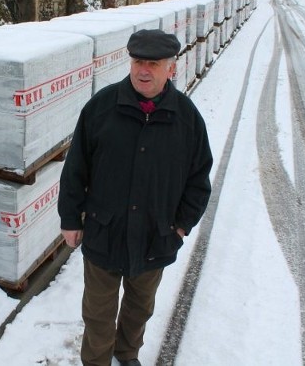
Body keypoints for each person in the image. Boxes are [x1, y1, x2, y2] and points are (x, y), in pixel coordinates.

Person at [58, 29, 213, 366]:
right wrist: (70, 219)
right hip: (104, 230)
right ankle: (96, 362)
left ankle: (127, 355)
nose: (144, 70)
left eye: (153, 64)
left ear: (170, 68)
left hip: (155, 236)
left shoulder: (186, 119)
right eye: (138, 61)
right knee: (98, 312)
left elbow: (199, 180)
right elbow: (75, 169)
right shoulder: (101, 108)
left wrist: (181, 226)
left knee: (139, 308)